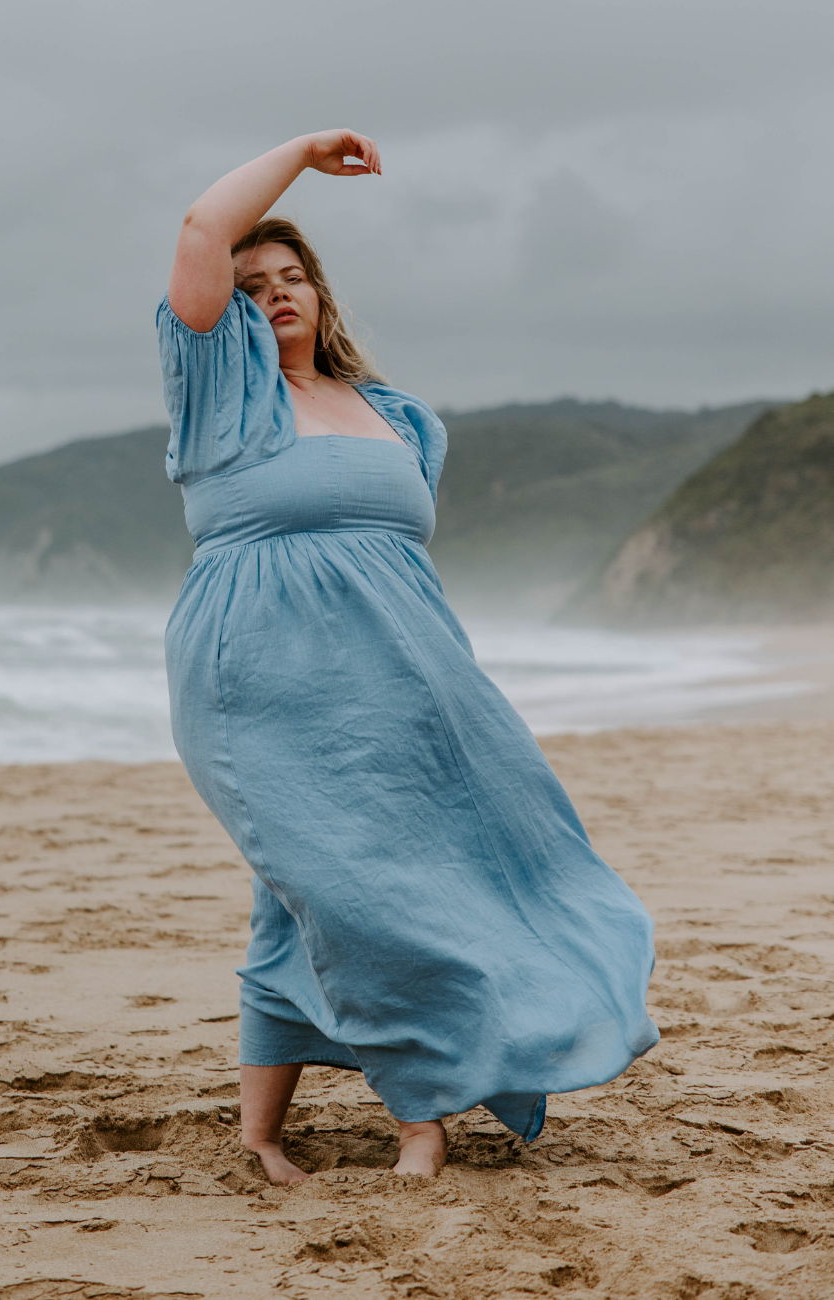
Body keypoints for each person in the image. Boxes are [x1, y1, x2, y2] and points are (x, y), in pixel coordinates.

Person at [157, 129, 659, 1184]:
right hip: (262, 682)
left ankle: (260, 1134)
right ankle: (421, 1112)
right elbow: (203, 227)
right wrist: (303, 150)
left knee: (332, 892)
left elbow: (393, 562)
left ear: (321, 294)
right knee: (349, 887)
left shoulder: (397, 417)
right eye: (251, 284)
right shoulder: (220, 397)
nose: (274, 292)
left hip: (408, 677)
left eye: (291, 276)